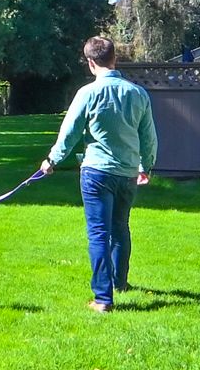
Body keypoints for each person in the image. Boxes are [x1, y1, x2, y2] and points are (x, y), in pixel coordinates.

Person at [39, 36, 157, 312]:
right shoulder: (138, 94)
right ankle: (120, 283)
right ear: (114, 58)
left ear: (91, 63)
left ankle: (103, 298)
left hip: (96, 172)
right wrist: (146, 166)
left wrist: (52, 160)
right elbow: (149, 137)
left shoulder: (88, 93)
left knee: (98, 233)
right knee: (120, 228)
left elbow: (69, 133)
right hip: (127, 173)